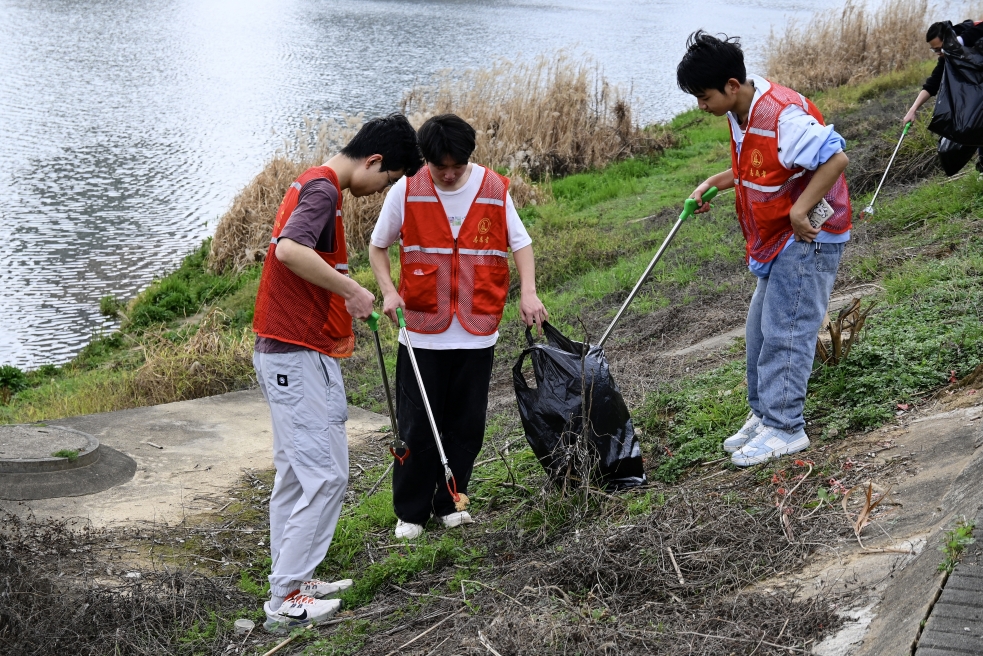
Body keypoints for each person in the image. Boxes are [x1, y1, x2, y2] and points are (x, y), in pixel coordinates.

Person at [252, 114, 423, 632]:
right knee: (326, 475)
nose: (382, 190)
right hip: (293, 352)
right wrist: (352, 290)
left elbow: (298, 255)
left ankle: (293, 581)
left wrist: (346, 295)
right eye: (388, 180)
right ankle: (286, 598)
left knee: (296, 473)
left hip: (288, 350)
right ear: (374, 161)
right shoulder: (324, 190)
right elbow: (288, 250)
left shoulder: (315, 182)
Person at [368, 114, 548, 539]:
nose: (449, 175)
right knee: (416, 427)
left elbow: (520, 243)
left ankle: (451, 501)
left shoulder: (493, 188)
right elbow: (378, 247)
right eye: (439, 167)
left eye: (457, 166)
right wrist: (389, 291)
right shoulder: (406, 189)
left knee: (466, 424)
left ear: (470, 158)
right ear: (426, 160)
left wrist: (528, 292)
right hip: (421, 331)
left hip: (477, 327)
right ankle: (411, 512)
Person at [676, 31, 851, 467]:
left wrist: (801, 210)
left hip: (806, 236)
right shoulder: (741, 111)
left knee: (786, 330)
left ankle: (786, 427)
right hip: (774, 239)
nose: (701, 105)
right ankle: (764, 414)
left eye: (704, 97)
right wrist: (714, 183)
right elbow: (763, 165)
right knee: (759, 331)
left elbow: (836, 158)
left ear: (732, 85)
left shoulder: (782, 115)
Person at [904, 20, 983, 172]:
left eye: (940, 49)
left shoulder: (972, 37)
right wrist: (913, 109)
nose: (939, 53)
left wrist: (959, 42)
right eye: (934, 50)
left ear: (948, 41)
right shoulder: (946, 57)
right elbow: (932, 85)